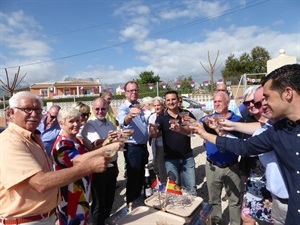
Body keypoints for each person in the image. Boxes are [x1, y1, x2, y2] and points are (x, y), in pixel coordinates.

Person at [193, 64, 300, 225]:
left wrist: (219, 129)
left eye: (267, 97)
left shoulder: (278, 128)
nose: (264, 104)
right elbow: (246, 146)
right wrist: (213, 131)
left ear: (288, 93)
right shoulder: (279, 129)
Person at [0, 91, 118, 225]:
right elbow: (40, 182)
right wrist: (91, 165)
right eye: (27, 109)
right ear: (11, 113)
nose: (34, 114)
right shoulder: (10, 142)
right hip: (29, 218)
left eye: (38, 110)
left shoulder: (32, 138)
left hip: (47, 214)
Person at [200, 91, 242, 225]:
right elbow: (193, 129)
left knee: (234, 201)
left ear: (228, 103)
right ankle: (216, 222)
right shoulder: (208, 119)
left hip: (232, 166)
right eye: (215, 101)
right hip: (212, 166)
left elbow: (240, 142)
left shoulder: (236, 120)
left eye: (220, 101)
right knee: (214, 200)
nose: (217, 104)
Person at [81, 97, 119, 225]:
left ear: (107, 109)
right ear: (93, 109)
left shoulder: (110, 124)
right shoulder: (90, 125)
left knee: (109, 200)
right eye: (97, 109)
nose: (100, 111)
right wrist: (108, 140)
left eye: (103, 109)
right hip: (99, 167)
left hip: (112, 165)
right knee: (98, 203)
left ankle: (105, 222)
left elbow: (115, 143)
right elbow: (96, 143)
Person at [155, 90, 197, 193]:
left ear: (178, 100)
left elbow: (192, 129)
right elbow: (154, 134)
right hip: (170, 159)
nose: (171, 102)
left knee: (191, 188)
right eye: (168, 100)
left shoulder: (186, 115)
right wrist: (152, 131)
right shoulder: (161, 118)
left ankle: (193, 208)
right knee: (174, 190)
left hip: (187, 156)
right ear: (165, 102)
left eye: (173, 99)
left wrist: (181, 129)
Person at [117, 81, 149, 204]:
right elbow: (123, 121)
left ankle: (139, 202)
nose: (134, 92)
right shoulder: (124, 108)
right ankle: (131, 206)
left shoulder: (139, 105)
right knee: (134, 178)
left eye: (136, 90)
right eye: (131, 90)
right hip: (132, 148)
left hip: (142, 147)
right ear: (125, 93)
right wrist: (130, 115)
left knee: (142, 176)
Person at [148, 96, 167, 184]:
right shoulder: (152, 117)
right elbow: (150, 131)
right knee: (157, 165)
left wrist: (159, 133)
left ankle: (164, 183)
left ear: (163, 105)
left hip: (164, 144)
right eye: (155, 105)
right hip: (156, 143)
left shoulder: (167, 116)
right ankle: (160, 183)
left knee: (163, 166)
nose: (157, 107)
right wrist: (152, 133)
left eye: (158, 105)